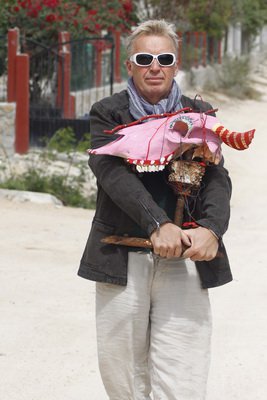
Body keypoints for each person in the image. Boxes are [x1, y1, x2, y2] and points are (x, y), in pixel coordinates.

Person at [78, 19, 232, 400]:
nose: (155, 66)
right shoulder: (107, 113)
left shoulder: (198, 113)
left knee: (184, 369)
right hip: (122, 255)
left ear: (175, 64)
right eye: (144, 57)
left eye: (164, 58)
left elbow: (217, 179)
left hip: (185, 259)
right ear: (129, 65)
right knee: (124, 374)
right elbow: (110, 173)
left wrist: (211, 229)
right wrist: (156, 223)